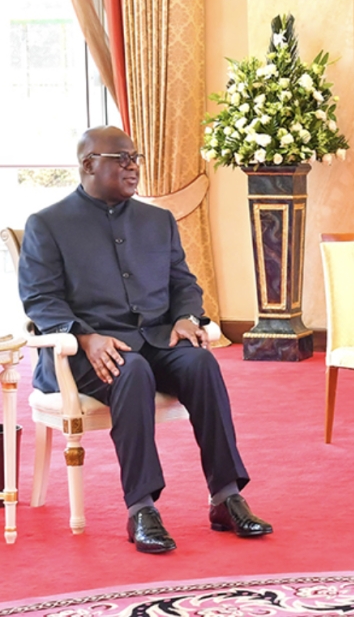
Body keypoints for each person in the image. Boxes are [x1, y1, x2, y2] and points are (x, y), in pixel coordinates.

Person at [19, 126, 273, 554]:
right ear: (88, 165)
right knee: (130, 369)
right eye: (120, 158)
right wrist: (85, 337)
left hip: (156, 340)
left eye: (134, 156)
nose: (132, 165)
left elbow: (183, 283)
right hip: (88, 354)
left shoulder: (159, 221)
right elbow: (40, 299)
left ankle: (226, 496)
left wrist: (185, 318)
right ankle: (141, 508)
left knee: (200, 362)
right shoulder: (48, 224)